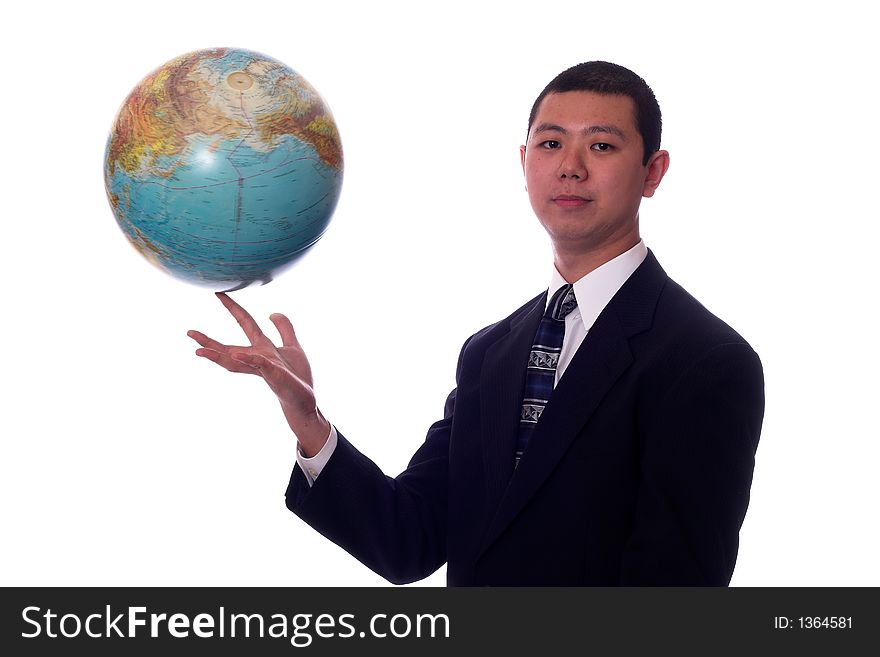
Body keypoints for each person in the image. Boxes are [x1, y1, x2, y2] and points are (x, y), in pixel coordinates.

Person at [188, 61, 764, 586]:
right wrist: (306, 418)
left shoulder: (704, 361)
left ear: (652, 172)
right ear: (524, 163)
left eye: (603, 145)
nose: (570, 166)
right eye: (551, 143)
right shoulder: (492, 354)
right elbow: (408, 539)